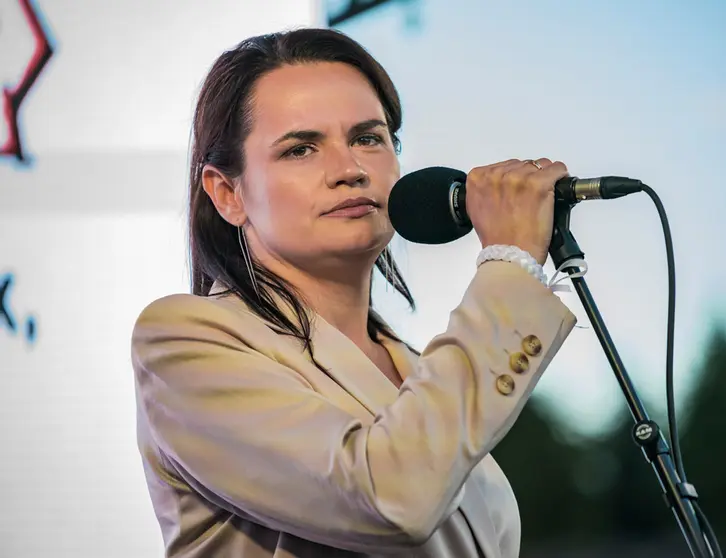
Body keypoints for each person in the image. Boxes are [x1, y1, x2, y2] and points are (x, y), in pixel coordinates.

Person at [131, 28, 577, 558]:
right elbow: (389, 495)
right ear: (228, 194)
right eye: (300, 149)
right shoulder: (184, 343)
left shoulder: (416, 366)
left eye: (368, 138)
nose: (349, 170)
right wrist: (509, 266)